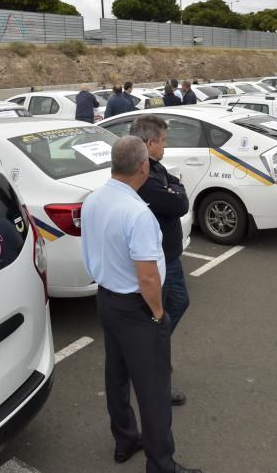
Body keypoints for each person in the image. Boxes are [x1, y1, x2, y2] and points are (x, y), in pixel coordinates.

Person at [81, 136, 202, 473]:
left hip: (106, 299)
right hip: (136, 307)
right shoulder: (137, 213)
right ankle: (161, 464)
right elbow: (148, 276)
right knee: (154, 390)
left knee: (116, 374)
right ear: (143, 166)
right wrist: (159, 313)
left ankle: (125, 439)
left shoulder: (93, 200)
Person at [130, 115, 190, 406]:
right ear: (150, 143)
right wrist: (175, 190)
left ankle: (155, 352)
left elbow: (176, 188)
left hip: (170, 256)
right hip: (159, 260)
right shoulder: (143, 176)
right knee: (159, 317)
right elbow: (178, 202)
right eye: (163, 141)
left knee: (178, 303)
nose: (166, 146)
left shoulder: (155, 168)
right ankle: (155, 374)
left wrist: (174, 187)